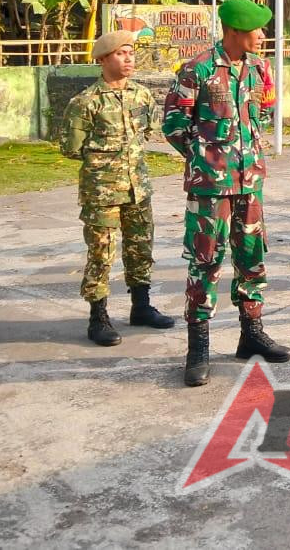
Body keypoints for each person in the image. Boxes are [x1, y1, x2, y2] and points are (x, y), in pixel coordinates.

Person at [163, 0, 290, 387]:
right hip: (211, 188)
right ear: (234, 30)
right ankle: (198, 347)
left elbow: (262, 114)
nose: (262, 36)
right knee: (205, 261)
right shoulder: (197, 69)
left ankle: (251, 333)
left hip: (250, 182)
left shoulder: (258, 68)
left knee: (252, 256)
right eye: (256, 29)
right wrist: (205, 159)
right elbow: (173, 123)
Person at [61, 30, 175, 347]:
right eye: (121, 53)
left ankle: (141, 307)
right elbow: (71, 148)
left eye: (131, 53)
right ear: (102, 59)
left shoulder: (142, 95)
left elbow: (152, 128)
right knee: (102, 253)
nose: (128, 59)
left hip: (138, 187)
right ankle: (98, 318)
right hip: (102, 191)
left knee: (141, 249)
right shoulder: (85, 103)